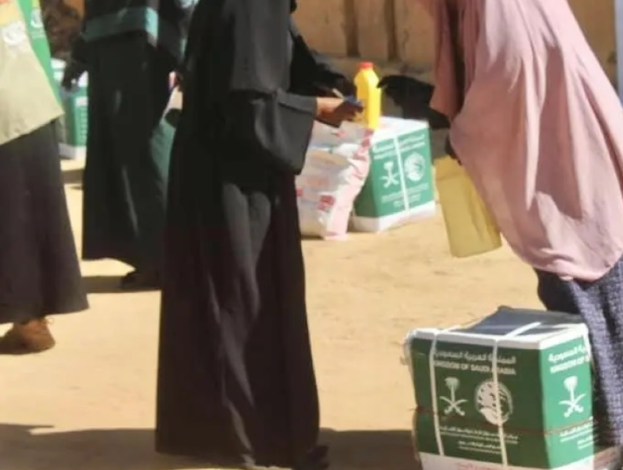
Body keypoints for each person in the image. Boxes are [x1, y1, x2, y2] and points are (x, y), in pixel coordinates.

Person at [380, 0, 623, 468]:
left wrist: (462, 130)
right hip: (563, 141)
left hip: (563, 153)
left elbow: (508, 71)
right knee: (602, 283)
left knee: (588, 284)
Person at [154, 0, 359, 468]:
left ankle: (250, 436)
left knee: (240, 297)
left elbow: (270, 58)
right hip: (233, 178)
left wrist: (323, 81)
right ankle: (257, 441)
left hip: (227, 169)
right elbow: (248, 102)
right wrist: (315, 107)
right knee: (243, 302)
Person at [60, 0, 196, 290]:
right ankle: (151, 258)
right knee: (119, 154)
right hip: (110, 46)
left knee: (147, 152)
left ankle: (167, 259)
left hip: (144, 49)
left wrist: (190, 52)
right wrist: (82, 53)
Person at [0, 0, 88, 354]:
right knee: (27, 217)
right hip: (33, 104)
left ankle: (30, 321)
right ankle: (31, 321)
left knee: (15, 218)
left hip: (9, 112)